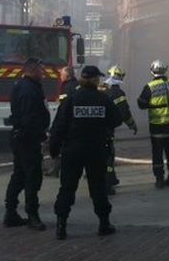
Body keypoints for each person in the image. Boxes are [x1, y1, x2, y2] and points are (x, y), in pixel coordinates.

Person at [49, 66, 122, 240]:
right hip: (96, 149)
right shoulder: (102, 99)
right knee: (98, 187)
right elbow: (116, 119)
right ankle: (104, 223)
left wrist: (54, 148)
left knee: (67, 187)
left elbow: (58, 126)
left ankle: (61, 225)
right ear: (95, 80)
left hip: (72, 150)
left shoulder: (71, 99)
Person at [4, 58, 51, 230]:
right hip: (27, 140)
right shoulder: (28, 90)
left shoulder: (28, 86)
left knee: (19, 175)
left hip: (23, 138)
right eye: (41, 69)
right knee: (32, 177)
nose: (43, 72)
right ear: (32, 69)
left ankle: (11, 213)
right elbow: (29, 118)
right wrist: (40, 135)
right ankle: (32, 215)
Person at [137, 60, 169, 188]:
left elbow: (141, 104)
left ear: (152, 71)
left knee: (157, 153)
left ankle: (159, 179)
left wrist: (152, 106)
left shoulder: (150, 86)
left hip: (157, 127)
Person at [100, 65, 138, 195]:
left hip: (94, 128)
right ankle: (108, 183)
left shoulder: (100, 88)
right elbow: (124, 112)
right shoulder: (118, 93)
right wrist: (132, 125)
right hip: (107, 129)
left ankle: (111, 179)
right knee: (109, 156)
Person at [44, 66, 77, 178]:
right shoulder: (75, 85)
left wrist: (57, 125)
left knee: (57, 142)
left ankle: (57, 169)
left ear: (67, 76)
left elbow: (64, 105)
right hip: (72, 120)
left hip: (65, 119)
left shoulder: (67, 87)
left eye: (62, 75)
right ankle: (57, 169)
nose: (60, 77)